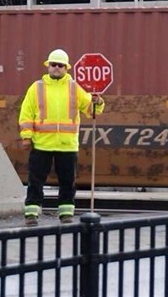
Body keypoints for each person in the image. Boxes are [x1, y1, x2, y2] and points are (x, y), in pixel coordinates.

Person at [19, 48, 105, 225]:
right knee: (35, 180)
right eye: (53, 64)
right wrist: (26, 136)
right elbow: (26, 113)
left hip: (67, 145)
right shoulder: (37, 88)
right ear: (48, 66)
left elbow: (91, 110)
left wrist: (98, 102)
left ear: (66, 68)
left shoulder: (75, 88)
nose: (56, 68)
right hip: (41, 144)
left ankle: (66, 213)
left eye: (60, 65)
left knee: (67, 182)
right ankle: (31, 213)